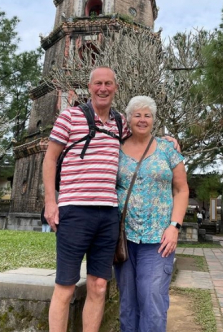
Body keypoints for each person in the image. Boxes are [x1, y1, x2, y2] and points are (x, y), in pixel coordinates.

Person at [43, 66, 129, 332]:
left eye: (108, 84)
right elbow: (50, 158)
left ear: (115, 87)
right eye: (98, 84)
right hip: (75, 211)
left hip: (108, 214)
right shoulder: (69, 117)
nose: (103, 88)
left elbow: (141, 144)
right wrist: (50, 201)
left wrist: (167, 141)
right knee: (66, 286)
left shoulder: (120, 122)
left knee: (99, 285)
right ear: (89, 87)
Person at [114, 96, 188, 332]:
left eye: (147, 115)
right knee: (128, 301)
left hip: (159, 239)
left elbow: (181, 189)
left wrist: (174, 226)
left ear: (154, 120)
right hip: (123, 239)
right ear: (128, 119)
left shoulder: (168, 149)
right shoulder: (115, 149)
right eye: (137, 115)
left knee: (153, 298)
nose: (142, 119)